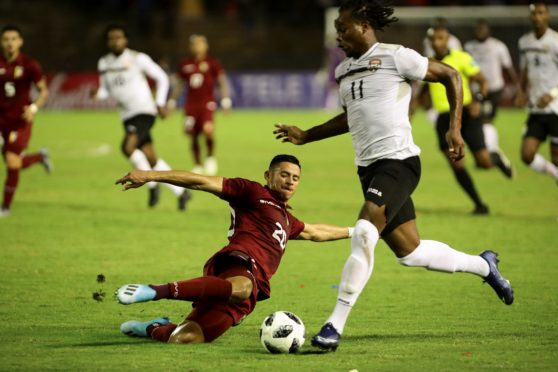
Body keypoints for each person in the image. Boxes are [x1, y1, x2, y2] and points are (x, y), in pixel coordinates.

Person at [274, 0, 514, 352]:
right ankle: (484, 266)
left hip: (399, 163)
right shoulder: (343, 72)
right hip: (369, 168)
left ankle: (333, 326)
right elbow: (351, 116)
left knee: (365, 230)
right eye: (337, 29)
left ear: (364, 25)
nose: (338, 35)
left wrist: (455, 128)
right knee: (410, 251)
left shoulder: (396, 56)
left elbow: (450, 74)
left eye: (343, 27)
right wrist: (307, 135)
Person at [114, 154, 353, 344]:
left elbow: (315, 232)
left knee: (184, 338)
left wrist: (357, 231)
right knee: (242, 288)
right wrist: (150, 175)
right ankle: (155, 291)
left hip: (253, 289)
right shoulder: (252, 192)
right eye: (284, 174)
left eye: (296, 178)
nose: (290, 181)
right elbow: (200, 181)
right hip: (238, 264)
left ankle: (152, 327)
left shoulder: (288, 220)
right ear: (268, 175)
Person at [91, 25, 191, 210]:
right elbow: (107, 90)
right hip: (127, 115)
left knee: (127, 147)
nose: (116, 41)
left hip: (144, 111)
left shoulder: (137, 58)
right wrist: (98, 94)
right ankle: (182, 192)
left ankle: (152, 185)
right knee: (152, 158)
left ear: (126, 40)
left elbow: (162, 77)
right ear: (107, 42)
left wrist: (160, 103)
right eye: (112, 38)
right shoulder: (104, 63)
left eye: (119, 37)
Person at [421, 25, 514, 215]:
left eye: (441, 38)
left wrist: (479, 100)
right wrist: (413, 107)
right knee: (456, 164)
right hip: (443, 118)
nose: (437, 42)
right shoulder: (425, 63)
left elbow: (482, 80)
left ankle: (494, 158)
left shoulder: (462, 58)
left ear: (447, 39)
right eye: (434, 39)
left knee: (483, 162)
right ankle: (479, 204)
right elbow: (422, 88)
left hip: (467, 114)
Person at [0, 25, 52, 218]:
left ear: (20, 41)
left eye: (14, 38)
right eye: (6, 39)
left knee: (13, 163)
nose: (10, 42)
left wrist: (34, 108)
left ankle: (5, 207)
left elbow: (43, 91)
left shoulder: (30, 65)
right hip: (0, 121)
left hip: (20, 121)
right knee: (14, 163)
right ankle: (40, 157)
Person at [172, 35, 232, 176]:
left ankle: (210, 157)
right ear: (190, 47)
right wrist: (171, 101)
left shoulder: (212, 62)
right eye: (194, 44)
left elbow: (222, 81)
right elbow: (180, 84)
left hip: (207, 104)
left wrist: (225, 100)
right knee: (192, 134)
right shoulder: (185, 63)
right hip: (190, 106)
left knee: (208, 130)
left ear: (206, 46)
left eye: (200, 44)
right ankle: (198, 164)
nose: (197, 47)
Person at [464, 19, 518, 177]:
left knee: (485, 120)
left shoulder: (498, 46)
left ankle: (493, 152)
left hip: (493, 89)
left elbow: (508, 67)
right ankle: (485, 153)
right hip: (474, 90)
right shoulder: (468, 47)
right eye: (477, 29)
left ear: (489, 31)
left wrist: (517, 88)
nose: (480, 32)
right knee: (476, 121)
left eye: (483, 29)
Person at [516, 2, 558, 184]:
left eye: (541, 13)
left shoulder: (556, 41)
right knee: (527, 154)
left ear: (548, 15)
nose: (537, 17)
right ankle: (554, 174)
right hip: (536, 108)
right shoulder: (524, 42)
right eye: (534, 13)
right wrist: (520, 92)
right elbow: (524, 71)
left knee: (557, 157)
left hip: (556, 108)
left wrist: (553, 93)